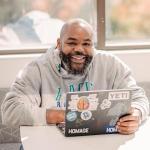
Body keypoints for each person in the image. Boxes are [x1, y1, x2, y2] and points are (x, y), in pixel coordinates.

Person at [1, 18, 149, 135]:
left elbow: (139, 98)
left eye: (86, 44)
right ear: (59, 44)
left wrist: (135, 114)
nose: (79, 49)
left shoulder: (111, 64)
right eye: (71, 43)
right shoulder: (37, 68)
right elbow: (9, 110)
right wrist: (66, 115)